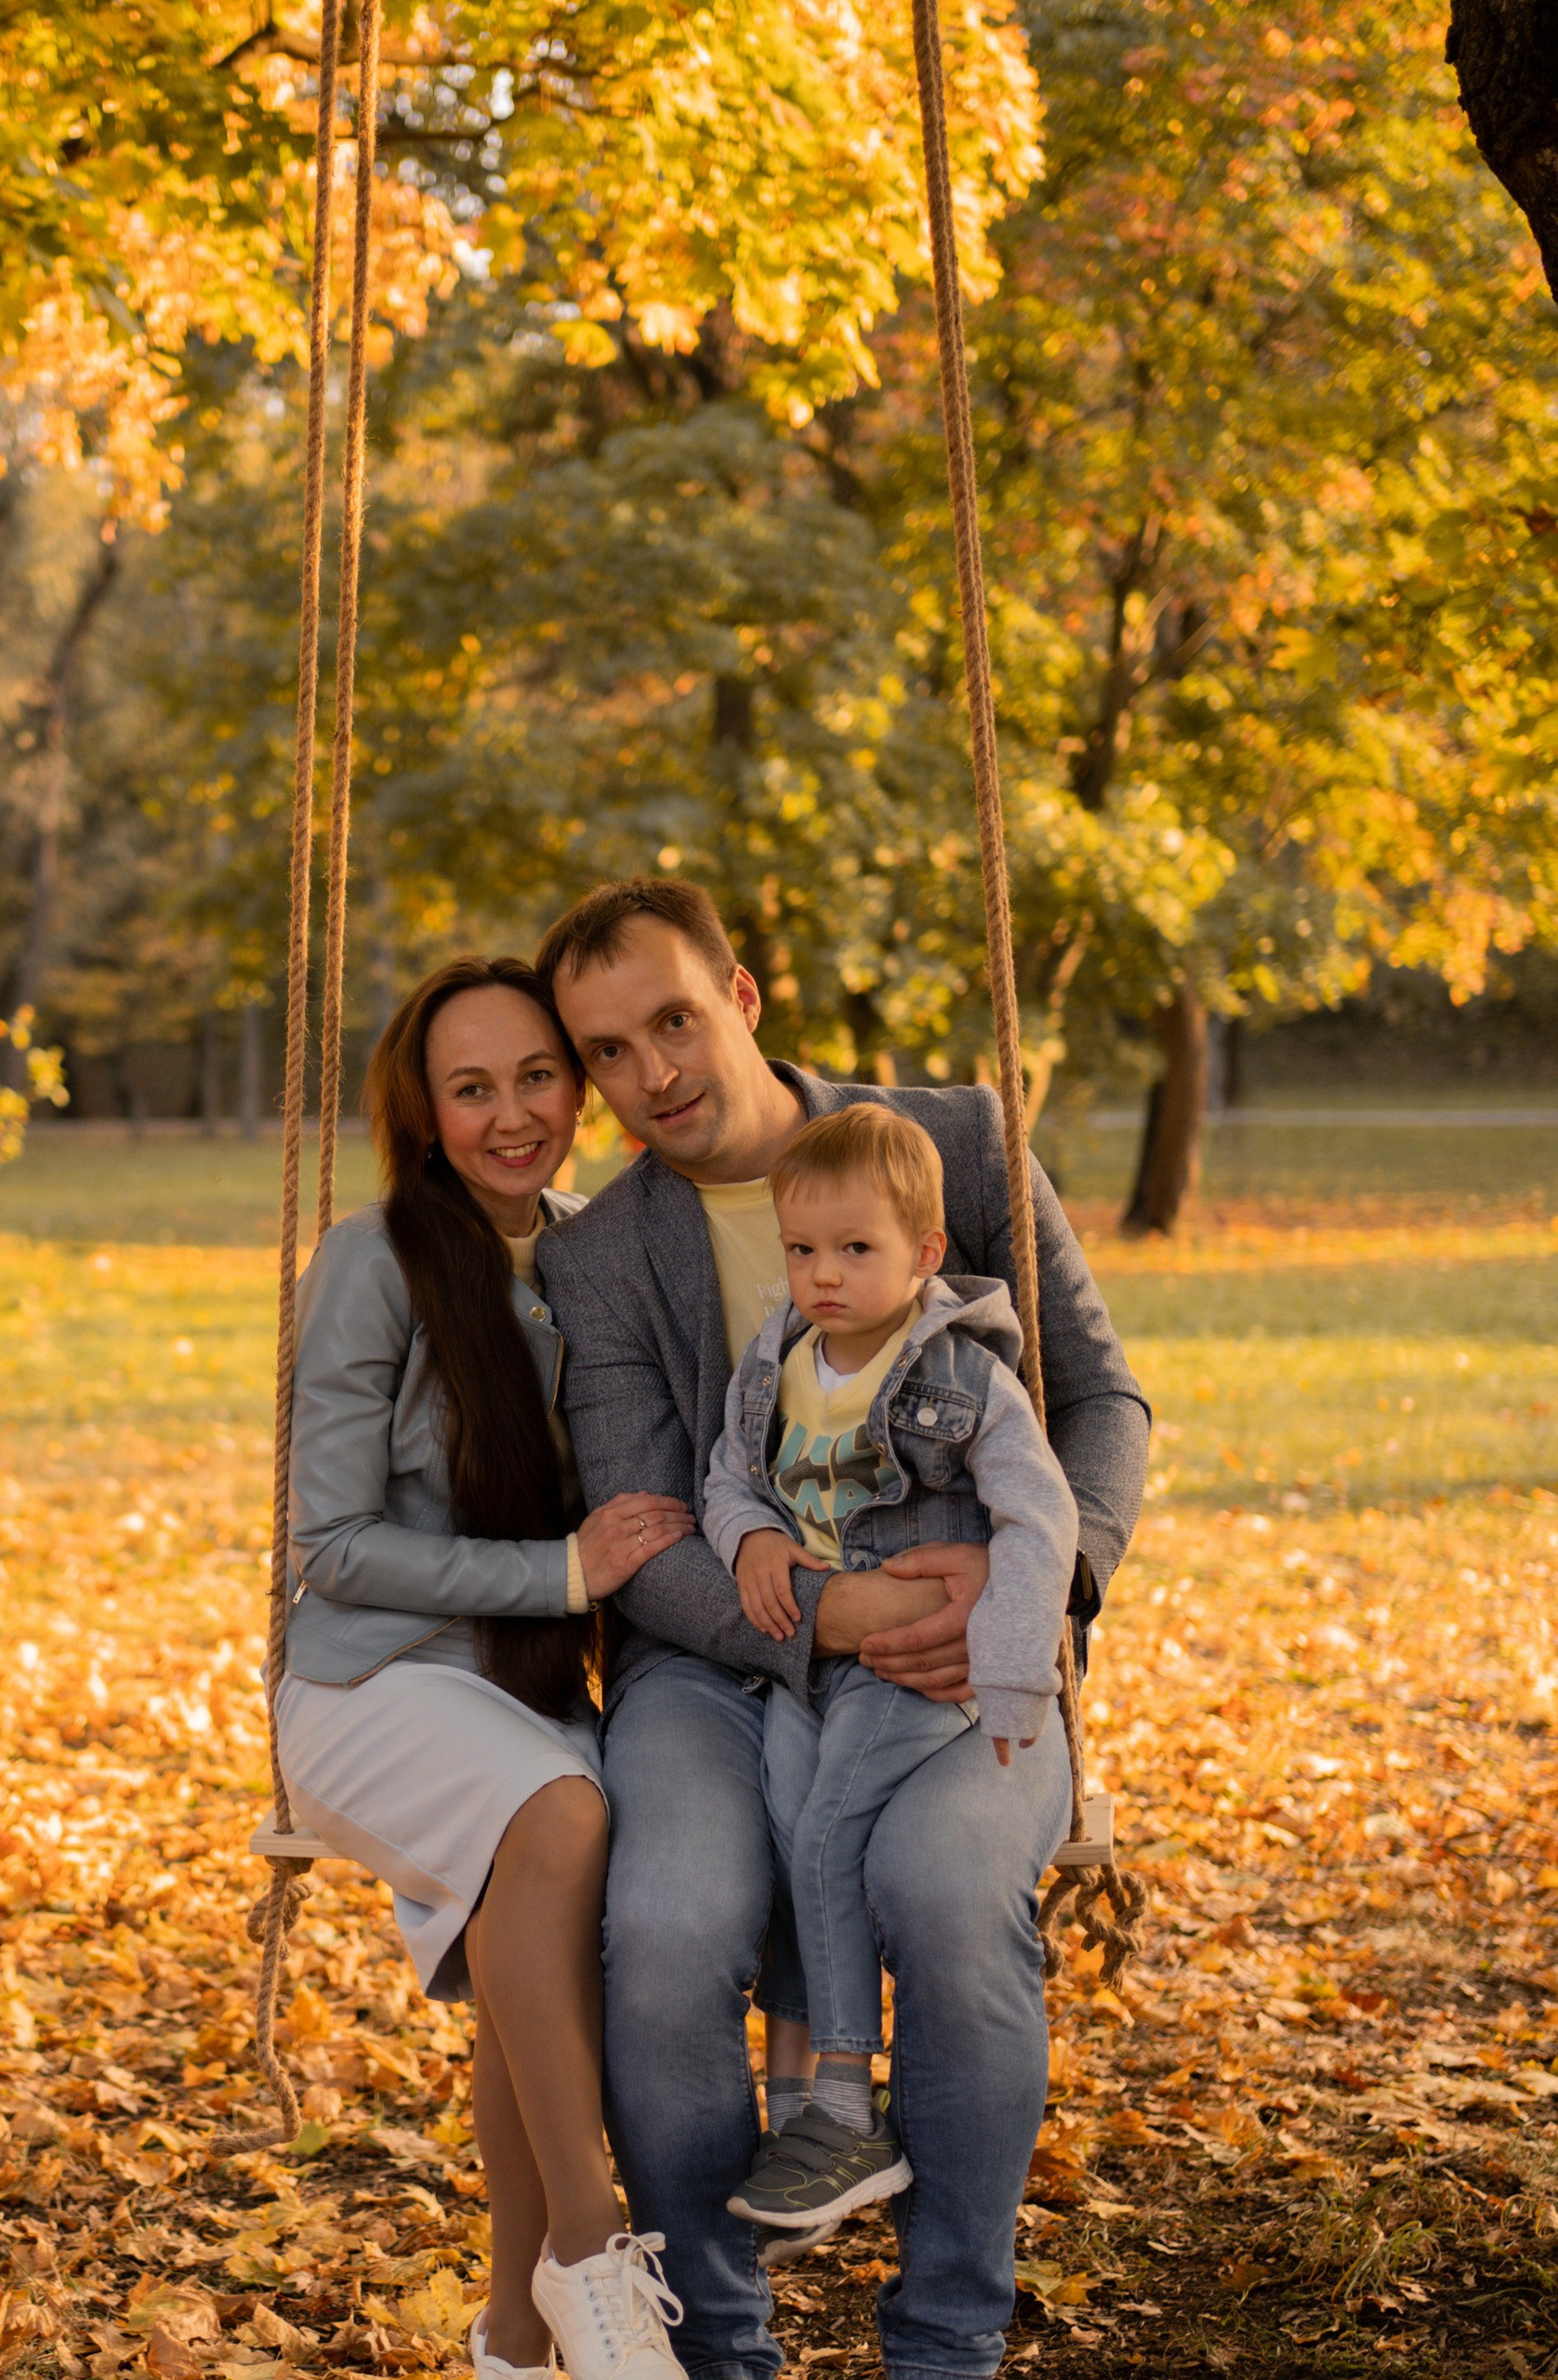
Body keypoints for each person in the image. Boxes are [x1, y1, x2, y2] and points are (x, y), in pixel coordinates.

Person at [535, 880, 1149, 2380]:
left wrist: (1042, 1597)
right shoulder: (604, 1255)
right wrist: (838, 1615)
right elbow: (650, 1532)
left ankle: (945, 2344)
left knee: (940, 1888)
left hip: (966, 1645)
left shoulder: (951, 1145)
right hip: (714, 1664)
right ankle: (720, 2351)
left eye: (674, 1021)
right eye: (607, 1052)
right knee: (669, 1932)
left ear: (740, 998)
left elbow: (1103, 1400)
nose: (653, 1073)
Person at [276, 955, 694, 2380]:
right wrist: (562, 1572)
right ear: (426, 1111)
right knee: (563, 1817)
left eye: (535, 1076)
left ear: (576, 1085)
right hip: (368, 1688)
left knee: (541, 1925)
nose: (512, 1114)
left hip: (516, 1696)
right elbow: (330, 1545)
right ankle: (590, 2244)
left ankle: (518, 2343)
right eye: (473, 1089)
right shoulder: (373, 1260)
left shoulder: (593, 1250)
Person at [698, 1104, 1077, 2231]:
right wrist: (752, 1540)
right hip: (813, 1664)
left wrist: (1012, 1676)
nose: (822, 1274)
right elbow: (727, 1477)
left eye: (855, 1250)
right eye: (802, 1250)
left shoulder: (964, 1377)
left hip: (922, 1671)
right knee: (784, 1818)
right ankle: (812, 2097)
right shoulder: (777, 1364)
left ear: (921, 1255)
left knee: (828, 1838)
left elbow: (1040, 1515)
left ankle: (842, 2106)